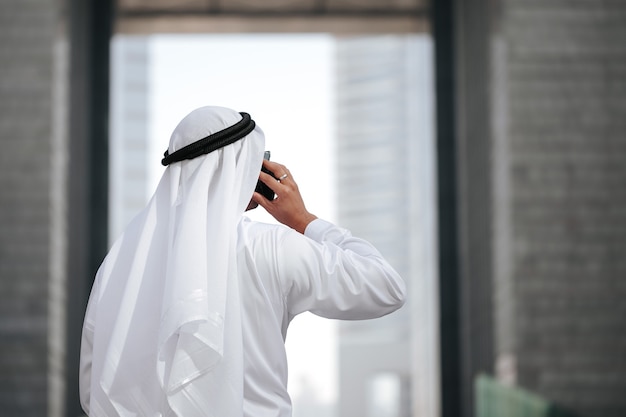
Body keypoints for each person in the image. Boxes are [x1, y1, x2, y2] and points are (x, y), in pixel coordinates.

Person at [79, 106, 406, 417]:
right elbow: (386, 287)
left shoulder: (120, 263)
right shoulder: (270, 246)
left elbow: (93, 385)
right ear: (241, 166)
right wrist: (303, 220)